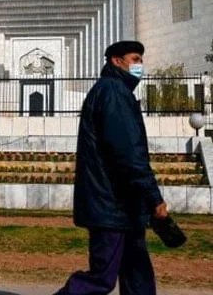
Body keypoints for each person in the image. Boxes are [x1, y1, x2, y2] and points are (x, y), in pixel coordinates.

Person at [55, 40, 168, 295]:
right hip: (112, 205)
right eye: (135, 59)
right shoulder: (114, 93)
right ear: (117, 61)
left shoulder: (114, 91)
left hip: (123, 206)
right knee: (101, 277)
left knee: (137, 272)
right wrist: (153, 196)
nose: (140, 65)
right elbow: (128, 154)